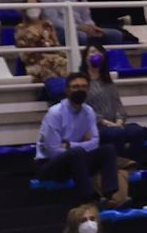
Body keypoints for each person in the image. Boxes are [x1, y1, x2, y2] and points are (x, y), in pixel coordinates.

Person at [36, 71, 118, 203]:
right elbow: (53, 151)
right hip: (50, 166)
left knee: (108, 149)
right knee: (77, 153)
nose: (80, 90)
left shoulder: (88, 111)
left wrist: (69, 145)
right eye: (75, 87)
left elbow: (95, 143)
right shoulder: (55, 113)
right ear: (67, 91)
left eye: (83, 86)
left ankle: (109, 195)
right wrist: (78, 147)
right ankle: (89, 198)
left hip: (78, 161)